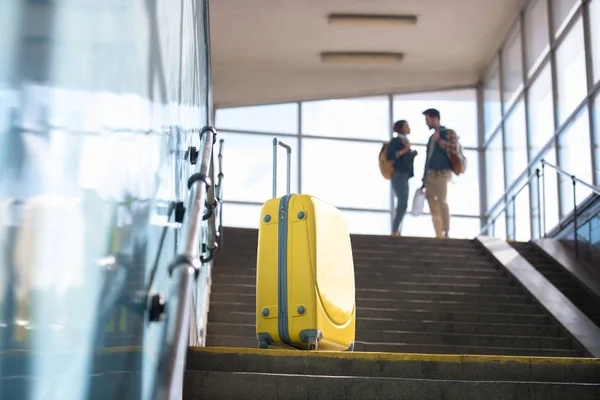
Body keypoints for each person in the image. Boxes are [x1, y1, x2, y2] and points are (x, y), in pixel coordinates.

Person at [420, 108, 452, 239]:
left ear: (434, 119)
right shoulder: (430, 138)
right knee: (432, 204)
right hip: (430, 175)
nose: (426, 123)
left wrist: (440, 140)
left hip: (441, 173)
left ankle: (445, 231)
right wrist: (424, 178)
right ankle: (438, 233)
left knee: (442, 202)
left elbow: (453, 149)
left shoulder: (447, 133)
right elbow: (428, 158)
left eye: (427, 120)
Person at [386, 120, 417, 237]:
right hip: (398, 175)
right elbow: (391, 155)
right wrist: (405, 151)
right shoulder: (396, 141)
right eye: (406, 126)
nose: (409, 128)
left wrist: (411, 155)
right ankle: (395, 230)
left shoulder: (404, 141)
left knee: (403, 204)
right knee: (402, 203)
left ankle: (397, 230)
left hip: (404, 176)